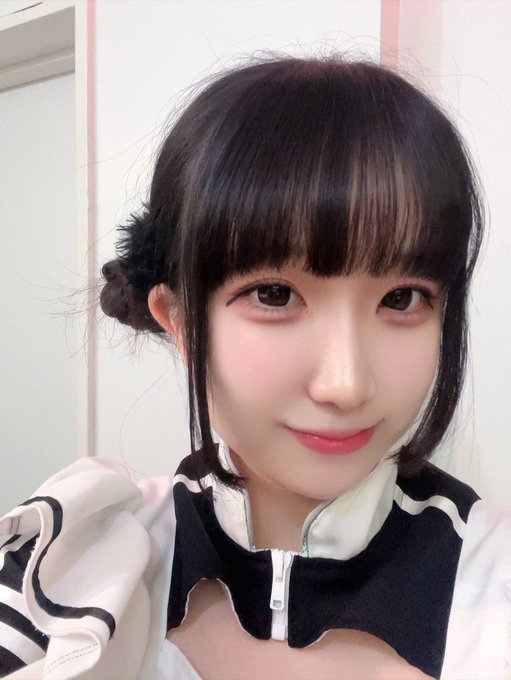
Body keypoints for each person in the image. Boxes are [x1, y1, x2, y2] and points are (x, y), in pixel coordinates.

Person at [0, 53, 510, 680]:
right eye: (275, 295)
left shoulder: (496, 579)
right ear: (180, 320)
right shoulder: (66, 564)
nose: (346, 385)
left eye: (402, 299)